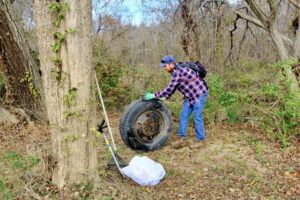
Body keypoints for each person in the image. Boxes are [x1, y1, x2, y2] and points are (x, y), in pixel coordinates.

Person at [143, 55, 208, 148]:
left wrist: (154, 95)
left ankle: (201, 141)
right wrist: (166, 97)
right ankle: (182, 139)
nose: (164, 68)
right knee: (183, 116)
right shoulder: (174, 71)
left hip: (199, 94)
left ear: (171, 64)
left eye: (165, 66)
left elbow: (169, 88)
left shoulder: (178, 72)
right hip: (189, 96)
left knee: (197, 117)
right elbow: (174, 87)